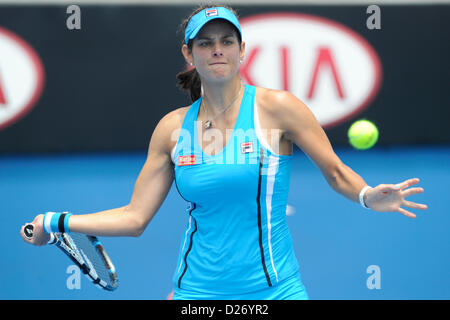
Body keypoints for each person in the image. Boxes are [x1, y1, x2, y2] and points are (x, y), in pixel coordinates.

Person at [20, 5, 428, 300]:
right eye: (206, 42)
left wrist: (366, 195)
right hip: (197, 294)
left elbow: (337, 172)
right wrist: (59, 221)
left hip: (277, 292)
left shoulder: (278, 107)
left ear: (241, 49)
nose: (218, 49)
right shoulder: (172, 129)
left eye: (227, 41)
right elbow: (135, 217)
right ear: (189, 53)